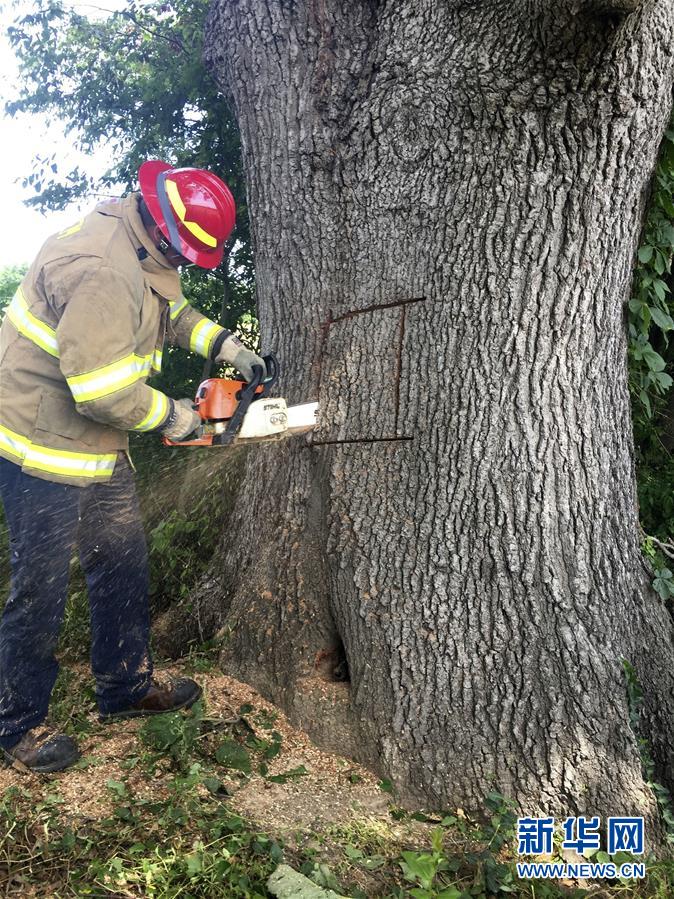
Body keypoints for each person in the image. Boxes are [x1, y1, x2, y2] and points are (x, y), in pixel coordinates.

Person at [0, 160, 265, 772]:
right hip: (41, 442)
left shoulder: (140, 238)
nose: (182, 263)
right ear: (165, 226)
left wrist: (226, 345)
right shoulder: (100, 270)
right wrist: (176, 416)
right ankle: (16, 724)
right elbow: (100, 391)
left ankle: (124, 686)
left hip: (97, 440)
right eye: (183, 252)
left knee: (121, 562)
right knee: (39, 589)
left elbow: (168, 311)